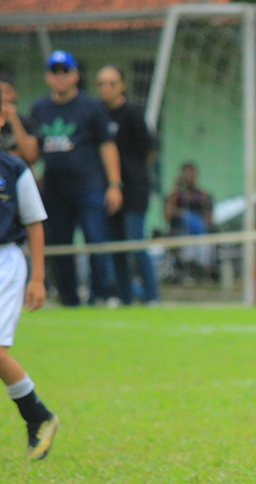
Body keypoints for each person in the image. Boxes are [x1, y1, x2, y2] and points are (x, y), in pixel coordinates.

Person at [0, 83, 59, 459]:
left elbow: (35, 224)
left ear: (2, 118)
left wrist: (37, 278)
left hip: (5, 264)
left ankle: (38, 415)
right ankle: (37, 414)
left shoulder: (13, 169)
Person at [30, 50, 123, 307]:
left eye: (65, 71)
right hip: (55, 191)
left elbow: (107, 145)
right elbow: (33, 149)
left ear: (75, 75)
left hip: (89, 187)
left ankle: (99, 295)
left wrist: (114, 185)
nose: (60, 77)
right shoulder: (39, 108)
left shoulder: (91, 106)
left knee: (95, 240)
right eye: (54, 72)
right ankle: (69, 298)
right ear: (48, 76)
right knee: (60, 244)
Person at [95, 65, 159, 306]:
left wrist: (130, 177)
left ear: (122, 85)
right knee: (116, 248)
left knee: (135, 243)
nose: (106, 88)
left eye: (111, 83)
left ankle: (152, 296)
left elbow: (148, 149)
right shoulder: (98, 114)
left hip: (133, 191)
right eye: (101, 83)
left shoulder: (131, 113)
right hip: (107, 192)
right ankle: (124, 297)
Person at [163, 162, 215, 283]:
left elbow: (209, 218)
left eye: (191, 173)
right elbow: (167, 215)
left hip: (200, 237)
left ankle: (203, 274)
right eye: (185, 173)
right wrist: (175, 188)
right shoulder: (176, 196)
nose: (188, 176)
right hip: (180, 236)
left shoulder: (202, 195)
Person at [0, 74, 40, 166]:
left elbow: (30, 156)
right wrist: (17, 154)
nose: (3, 97)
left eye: (7, 91)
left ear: (14, 93)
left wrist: (14, 120)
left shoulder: (26, 121)